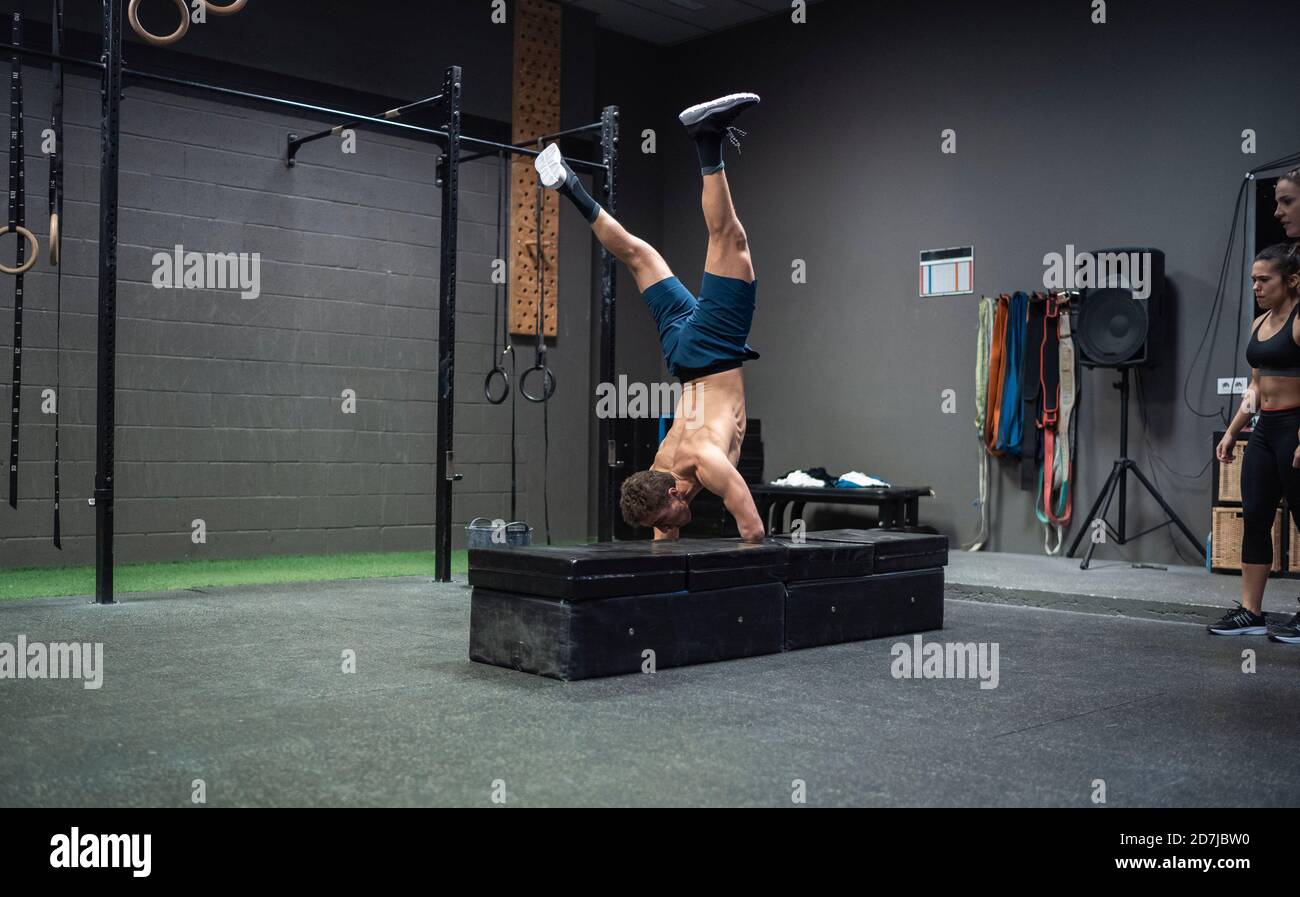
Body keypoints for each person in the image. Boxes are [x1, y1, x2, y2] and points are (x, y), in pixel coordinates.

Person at [535, 93, 765, 541]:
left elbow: (753, 532)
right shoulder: (659, 473)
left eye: (662, 519)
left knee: (729, 239)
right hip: (681, 357)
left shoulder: (705, 464)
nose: (663, 528)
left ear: (675, 496)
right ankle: (567, 184)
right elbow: (663, 536)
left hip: (714, 352)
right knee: (638, 256)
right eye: (659, 524)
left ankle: (707, 137)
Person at [1212, 241, 1300, 638]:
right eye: (1253, 280)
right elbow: (1255, 387)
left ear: (1292, 280)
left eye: (1264, 279)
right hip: (1265, 430)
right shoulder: (1258, 324)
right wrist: (1233, 432)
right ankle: (1252, 611)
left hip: (1295, 428)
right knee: (1256, 518)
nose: (1256, 287)